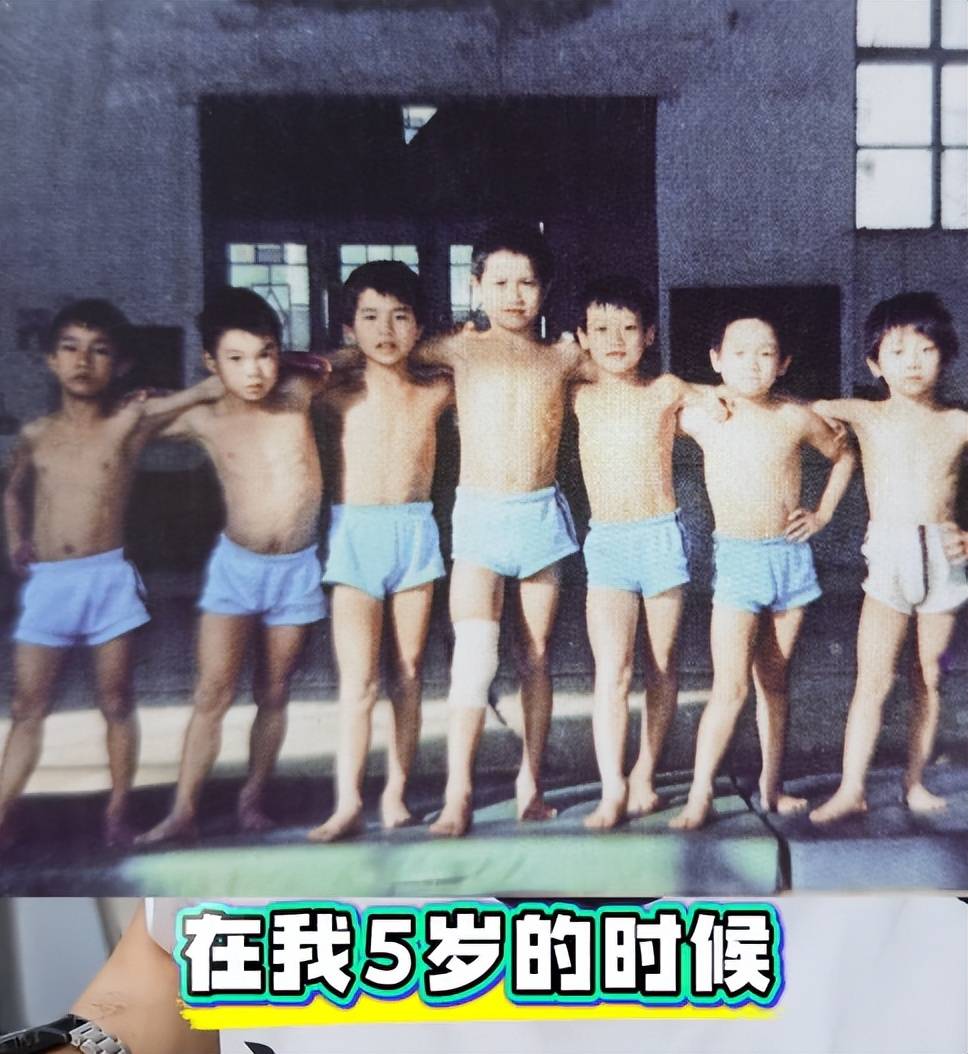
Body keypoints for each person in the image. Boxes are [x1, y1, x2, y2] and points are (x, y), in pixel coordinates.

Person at [0, 299, 223, 847]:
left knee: (117, 700)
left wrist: (279, 360)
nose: (83, 361)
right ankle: (1, 815)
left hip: (107, 581)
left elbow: (210, 390)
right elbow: (12, 490)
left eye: (99, 351)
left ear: (120, 365)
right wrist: (16, 539)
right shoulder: (37, 433)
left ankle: (118, 813)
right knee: (27, 706)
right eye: (70, 349)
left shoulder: (129, 422)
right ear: (51, 360)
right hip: (50, 584)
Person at [414, 223, 591, 837]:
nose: (514, 295)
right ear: (476, 286)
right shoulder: (457, 348)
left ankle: (530, 783)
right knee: (474, 658)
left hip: (538, 516)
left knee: (535, 656)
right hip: (480, 518)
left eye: (527, 283)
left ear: (546, 290)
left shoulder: (564, 356)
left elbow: (632, 375)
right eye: (501, 282)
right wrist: (309, 363)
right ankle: (457, 793)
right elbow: (382, 351)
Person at [137, 288, 330, 846]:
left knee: (275, 691)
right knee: (213, 693)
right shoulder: (206, 415)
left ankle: (253, 800)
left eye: (265, 354)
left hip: (295, 567)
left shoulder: (296, 393)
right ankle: (183, 810)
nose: (254, 371)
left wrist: (300, 361)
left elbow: (335, 363)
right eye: (237, 359)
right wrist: (196, 390)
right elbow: (132, 423)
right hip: (237, 570)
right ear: (211, 362)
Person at [671, 315, 856, 830]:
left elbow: (843, 453)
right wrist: (704, 392)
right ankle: (700, 795)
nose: (752, 364)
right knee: (730, 687)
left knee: (774, 681)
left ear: (784, 363)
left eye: (766, 353)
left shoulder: (794, 417)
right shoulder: (706, 416)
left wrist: (822, 514)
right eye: (739, 353)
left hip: (789, 559)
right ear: (716, 359)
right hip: (738, 561)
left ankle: (772, 788)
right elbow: (659, 399)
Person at [307, 262, 453, 842]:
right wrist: (349, 352)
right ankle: (347, 801)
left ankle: (395, 792)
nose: (386, 330)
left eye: (400, 317)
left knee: (409, 674)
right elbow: (300, 367)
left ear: (420, 325)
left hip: (414, 533)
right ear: (350, 326)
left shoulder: (437, 390)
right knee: (359, 682)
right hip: (356, 535)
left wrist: (431, 346)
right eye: (370, 317)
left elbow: (475, 363)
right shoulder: (337, 394)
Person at [572, 276, 724, 829]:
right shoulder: (577, 390)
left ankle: (644, 776)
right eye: (602, 329)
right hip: (608, 543)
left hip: (660, 538)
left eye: (629, 328)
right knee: (612, 670)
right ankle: (612, 787)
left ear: (650, 334)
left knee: (662, 665)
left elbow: (730, 394)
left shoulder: (666, 389)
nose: (616, 340)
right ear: (582, 338)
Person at [810, 292, 968, 823]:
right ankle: (851, 787)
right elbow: (794, 408)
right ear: (874, 364)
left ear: (946, 355)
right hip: (889, 562)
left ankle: (914, 782)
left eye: (926, 349)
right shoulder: (864, 414)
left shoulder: (958, 423)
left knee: (929, 678)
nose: (913, 362)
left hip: (943, 562)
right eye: (898, 352)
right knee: (873, 680)